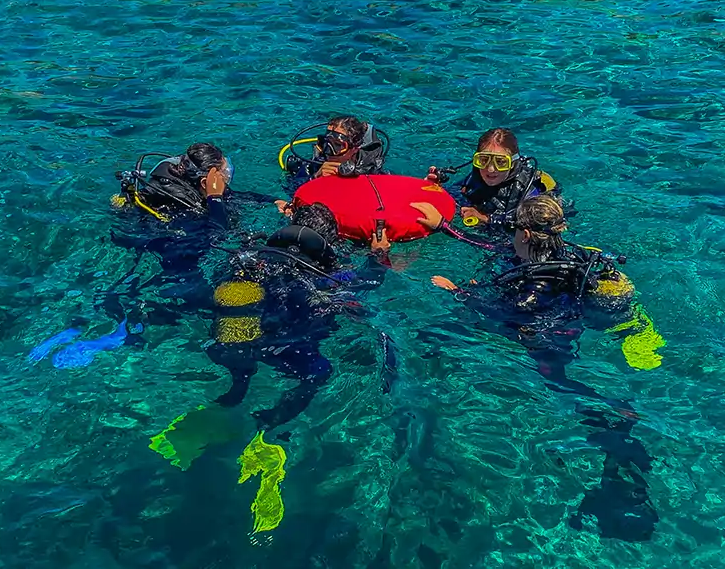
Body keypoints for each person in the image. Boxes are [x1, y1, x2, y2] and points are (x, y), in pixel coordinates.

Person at [430, 195, 665, 541]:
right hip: (572, 321)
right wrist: (445, 227)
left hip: (549, 337)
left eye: (514, 229)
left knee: (556, 381)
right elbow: (493, 248)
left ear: (525, 234)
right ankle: (614, 423)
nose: (511, 234)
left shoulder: (536, 283)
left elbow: (508, 313)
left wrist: (457, 293)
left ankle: (611, 412)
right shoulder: (568, 255)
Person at [207, 203, 387, 431]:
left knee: (244, 344)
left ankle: (238, 388)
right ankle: (270, 422)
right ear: (328, 243)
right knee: (319, 372)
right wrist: (379, 254)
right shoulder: (328, 277)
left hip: (241, 337)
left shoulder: (256, 258)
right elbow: (369, 280)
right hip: (287, 345)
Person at [106, 144, 272, 323]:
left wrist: (272, 201)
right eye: (225, 175)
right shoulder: (183, 209)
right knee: (206, 304)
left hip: (177, 241)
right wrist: (215, 199)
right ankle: (154, 312)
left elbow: (232, 196)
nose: (227, 180)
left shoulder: (192, 187)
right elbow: (218, 236)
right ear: (205, 183)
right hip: (173, 255)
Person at [427, 127, 561, 233]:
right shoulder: (476, 176)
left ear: (513, 163)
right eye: (483, 160)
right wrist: (436, 189)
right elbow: (457, 195)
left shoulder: (529, 186)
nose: (490, 169)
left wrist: (486, 219)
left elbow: (531, 222)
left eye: (500, 162)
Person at [282, 115, 387, 184]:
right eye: (325, 143)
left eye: (337, 145)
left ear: (355, 148)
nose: (328, 151)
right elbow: (292, 190)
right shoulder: (315, 165)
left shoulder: (370, 167)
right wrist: (315, 178)